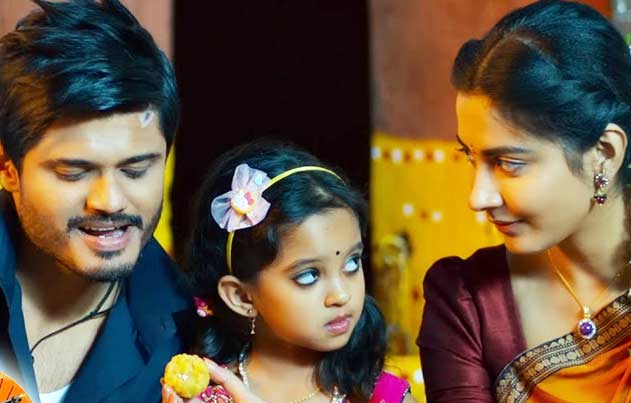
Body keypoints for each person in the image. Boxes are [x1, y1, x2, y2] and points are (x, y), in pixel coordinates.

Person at [417, 1, 631, 402]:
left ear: (604, 153)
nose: (477, 197)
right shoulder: (466, 301)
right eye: (470, 156)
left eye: (509, 163)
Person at [0, 1, 190, 402]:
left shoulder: (194, 337)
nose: (109, 201)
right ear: (7, 168)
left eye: (135, 170)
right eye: (74, 172)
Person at [162, 142, 415, 403]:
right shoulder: (205, 396)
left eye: (352, 263)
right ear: (242, 297)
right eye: (309, 276)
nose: (341, 295)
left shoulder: (381, 395)